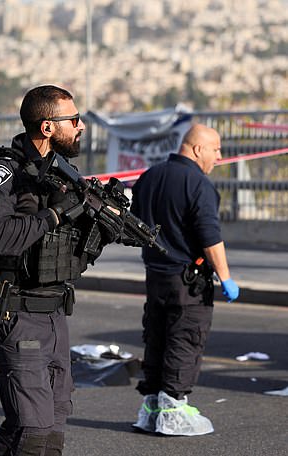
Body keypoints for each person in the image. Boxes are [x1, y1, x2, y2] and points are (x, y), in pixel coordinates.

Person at [0, 85, 124, 455]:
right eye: (73, 119)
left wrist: (101, 225)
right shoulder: (4, 172)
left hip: (52, 309)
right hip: (15, 309)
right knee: (31, 429)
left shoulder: (61, 174)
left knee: (52, 425)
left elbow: (67, 252)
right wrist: (55, 213)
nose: (81, 125)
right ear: (48, 127)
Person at [130, 124, 240, 436]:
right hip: (187, 280)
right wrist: (226, 277)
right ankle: (174, 407)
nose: (219, 156)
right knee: (184, 339)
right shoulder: (198, 184)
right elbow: (210, 238)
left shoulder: (150, 176)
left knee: (157, 338)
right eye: (215, 149)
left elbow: (136, 223)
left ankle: (151, 406)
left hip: (155, 274)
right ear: (196, 149)